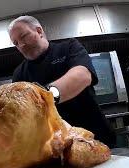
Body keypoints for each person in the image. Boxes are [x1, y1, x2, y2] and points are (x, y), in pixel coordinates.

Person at [8, 15, 115, 147]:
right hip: (56, 145)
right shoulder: (19, 73)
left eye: (24, 36)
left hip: (95, 135)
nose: (21, 45)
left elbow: (83, 75)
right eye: (16, 43)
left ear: (39, 31)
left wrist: (45, 97)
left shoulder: (69, 47)